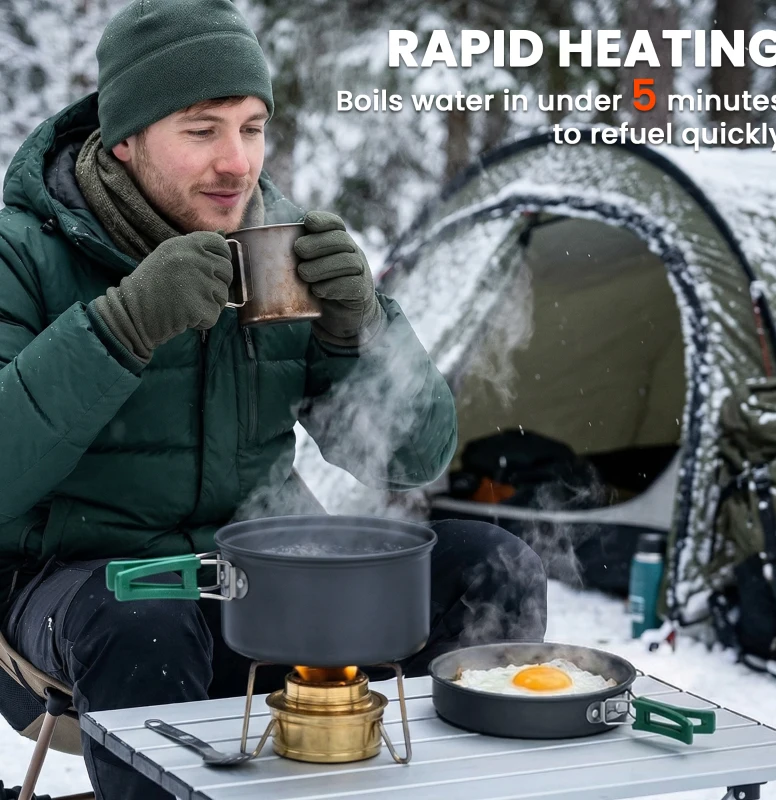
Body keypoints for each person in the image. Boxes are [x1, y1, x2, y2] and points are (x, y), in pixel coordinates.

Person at [0, 1, 547, 797]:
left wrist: (359, 328)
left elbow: (411, 459)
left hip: (267, 576)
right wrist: (120, 325)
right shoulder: (25, 253)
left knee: (491, 565)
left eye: (252, 127)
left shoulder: (279, 249)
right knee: (143, 618)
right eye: (202, 129)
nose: (237, 162)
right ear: (124, 141)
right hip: (82, 588)